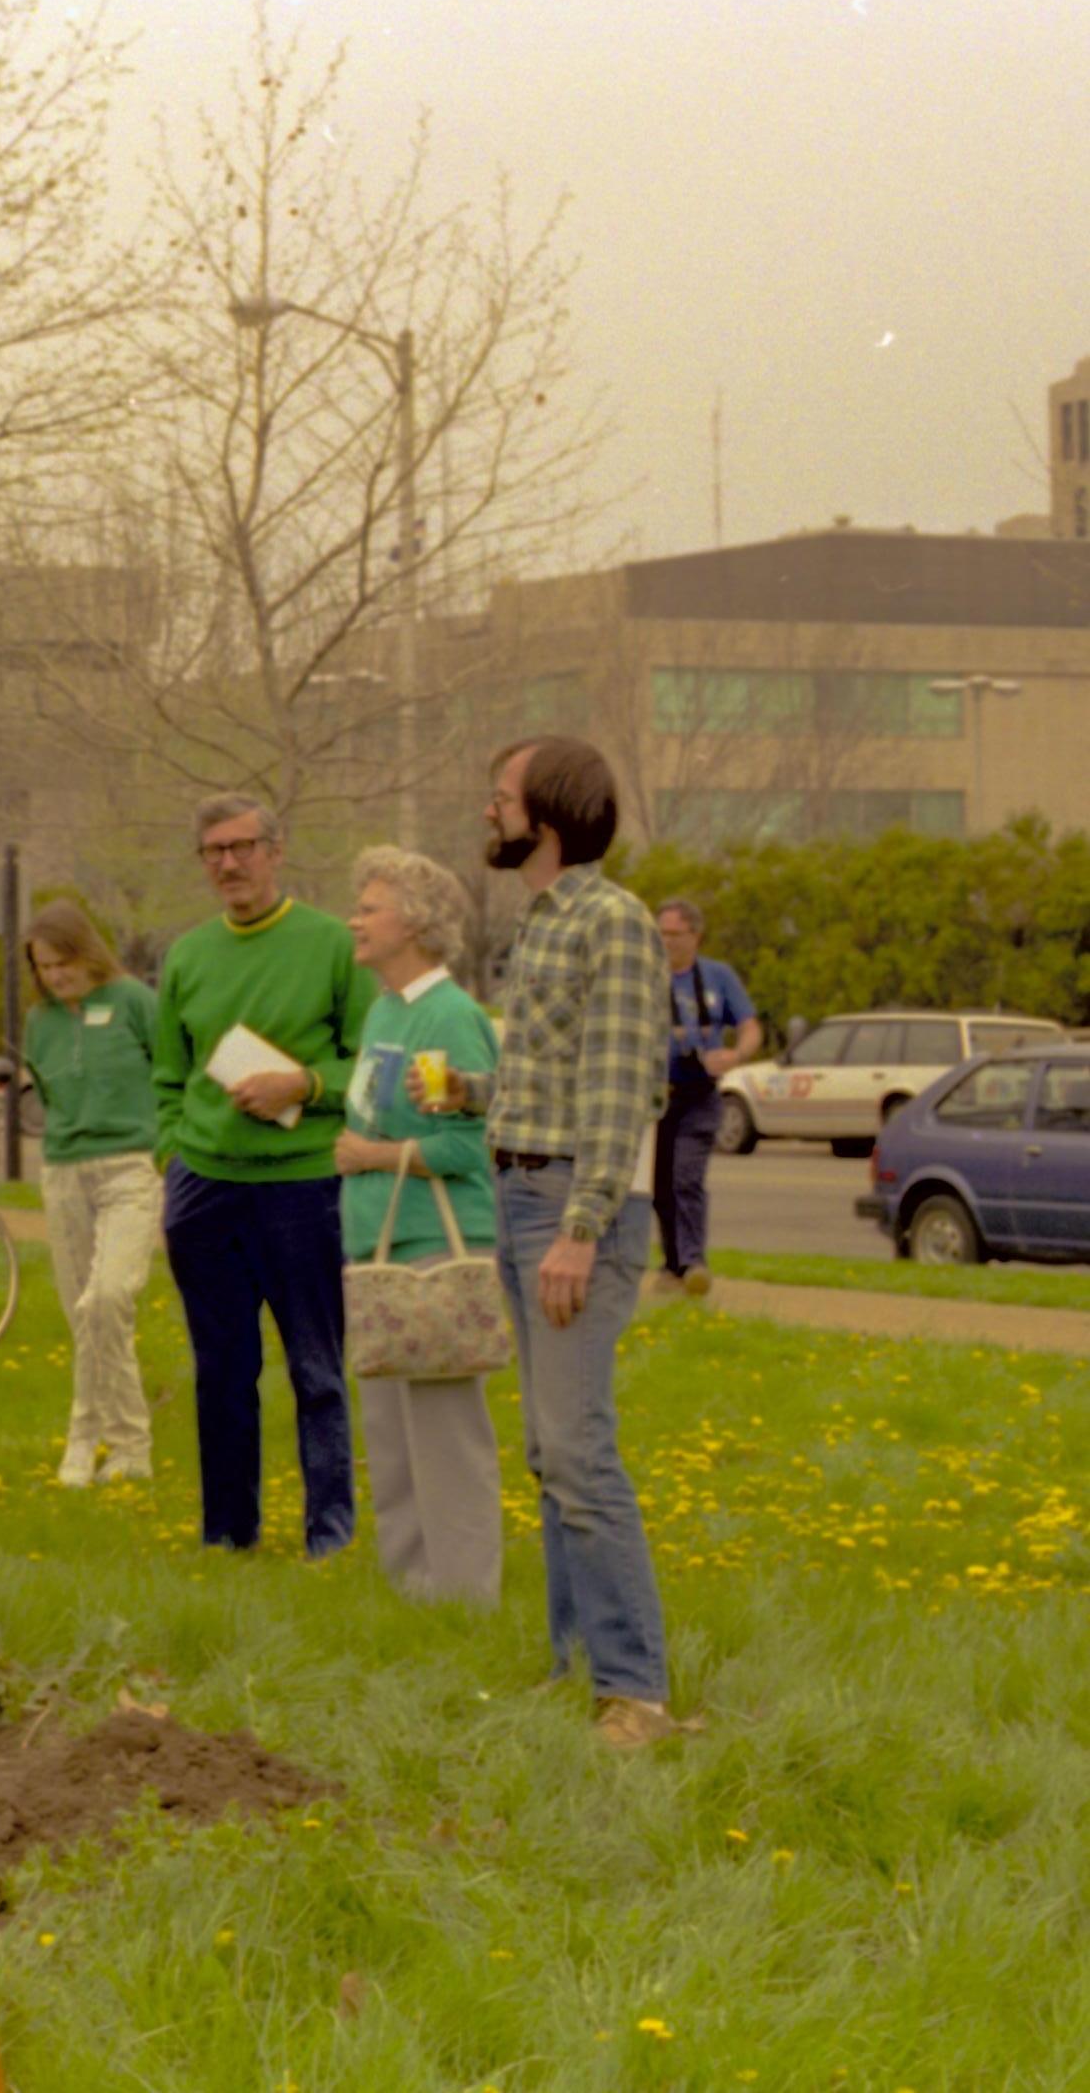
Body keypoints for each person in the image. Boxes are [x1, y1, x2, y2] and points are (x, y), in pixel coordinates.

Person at [484, 737, 679, 1751]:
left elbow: (618, 1093)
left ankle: (637, 1693)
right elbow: (557, 1075)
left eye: (502, 795)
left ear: (546, 814)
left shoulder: (613, 921)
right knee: (547, 1452)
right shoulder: (544, 923)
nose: (491, 810)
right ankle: (573, 1673)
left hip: (571, 1209)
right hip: (522, 1194)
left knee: (578, 1448)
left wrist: (578, 1228)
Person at [148, 795, 375, 1559]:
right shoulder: (186, 956)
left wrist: (303, 1086)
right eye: (213, 850)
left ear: (276, 851)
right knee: (222, 1374)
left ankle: (329, 1539)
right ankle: (227, 1537)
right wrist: (172, 1155)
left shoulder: (331, 946)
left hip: (302, 1185)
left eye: (243, 846)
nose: (229, 863)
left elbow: (372, 1065)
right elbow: (167, 1075)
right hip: (206, 1188)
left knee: (317, 1369)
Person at [333, 846, 505, 1606]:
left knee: (445, 1442)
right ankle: (411, 1596)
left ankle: (465, 1600)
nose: (355, 921)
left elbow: (466, 1144)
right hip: (374, 1248)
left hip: (433, 1246)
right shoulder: (384, 1010)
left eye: (369, 907)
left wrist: (373, 1154)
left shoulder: (449, 1015)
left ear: (417, 920)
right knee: (394, 1444)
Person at [19, 903, 158, 1489]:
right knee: (88, 1319)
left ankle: (82, 1438)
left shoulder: (136, 1003)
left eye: (63, 962)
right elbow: (49, 1094)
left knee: (107, 1299)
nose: (55, 976)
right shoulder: (39, 1021)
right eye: (44, 967)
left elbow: (174, 1074)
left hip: (131, 1168)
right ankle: (129, 1450)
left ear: (87, 951)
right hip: (64, 1172)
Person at [652, 897, 760, 1297]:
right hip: (656, 1096)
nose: (666, 942)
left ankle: (695, 1262)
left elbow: (749, 1026)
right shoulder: (646, 977)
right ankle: (672, 1265)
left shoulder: (717, 976)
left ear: (695, 936)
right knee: (660, 1184)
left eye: (674, 934)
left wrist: (735, 1054)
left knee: (687, 1175)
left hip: (700, 1095)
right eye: (660, 933)